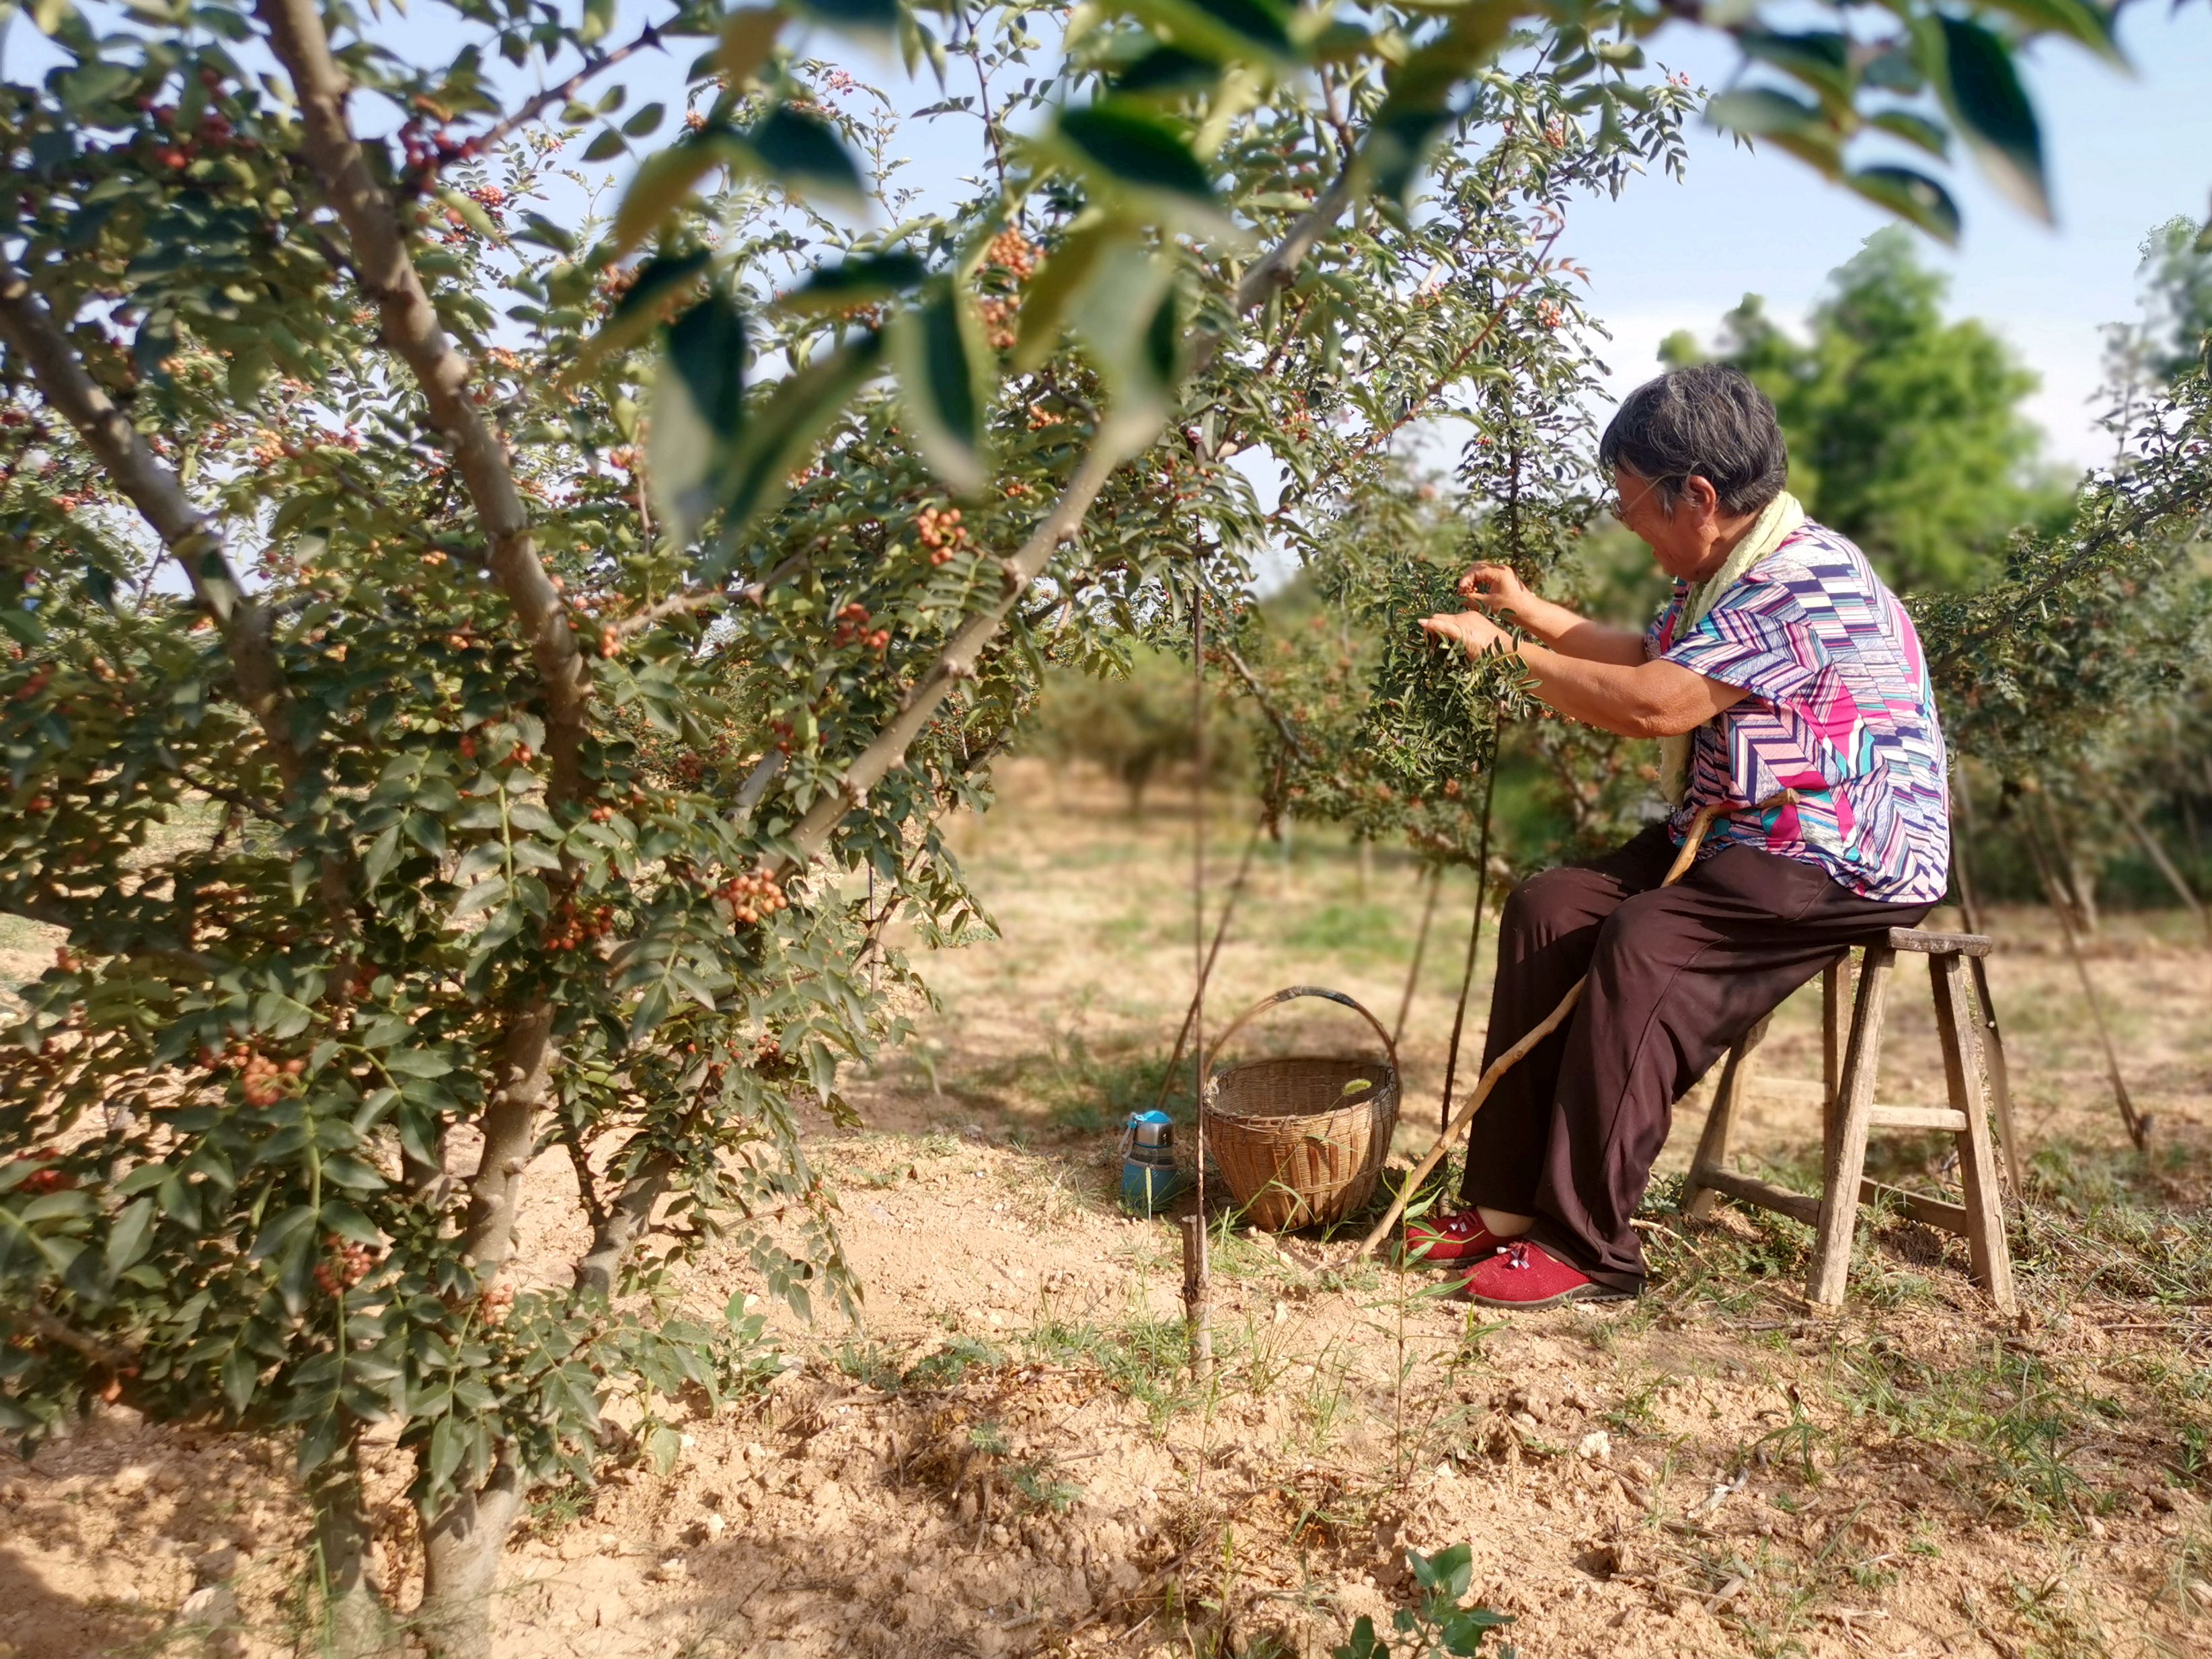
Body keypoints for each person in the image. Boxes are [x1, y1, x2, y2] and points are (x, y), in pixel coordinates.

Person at [1408, 364, 1950, 1309]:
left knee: (1647, 942)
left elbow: (1654, 705)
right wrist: (1528, 613)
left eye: (1629, 502)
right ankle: (1505, 1206)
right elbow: (1647, 657)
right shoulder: (1723, 576)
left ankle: (1589, 1246)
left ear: (1695, 495)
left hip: (1839, 849)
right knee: (1550, 906)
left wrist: (1503, 655)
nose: (1627, 523)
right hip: (1734, 831)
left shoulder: (1804, 581)